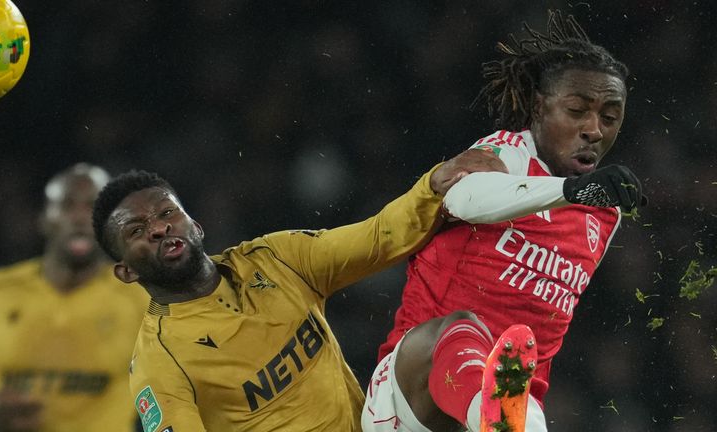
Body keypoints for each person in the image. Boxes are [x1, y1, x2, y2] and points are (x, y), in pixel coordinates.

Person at [362, 10, 646, 432]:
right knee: (461, 329)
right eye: (576, 110)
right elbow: (464, 198)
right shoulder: (505, 153)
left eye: (609, 116)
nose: (593, 130)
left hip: (509, 403)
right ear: (537, 107)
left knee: (519, 390)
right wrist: (568, 192)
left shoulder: (605, 215)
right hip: (409, 398)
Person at [89, 149, 509, 432]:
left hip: (369, 425)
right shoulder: (160, 361)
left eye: (167, 213)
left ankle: (504, 420)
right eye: (138, 230)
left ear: (195, 225)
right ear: (125, 272)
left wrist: (433, 184)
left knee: (445, 337)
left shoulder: (275, 259)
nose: (160, 227)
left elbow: (378, 238)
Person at [0, 163, 150, 432]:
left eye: (93, 207)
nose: (80, 218)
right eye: (67, 206)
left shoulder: (140, 298)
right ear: (44, 218)